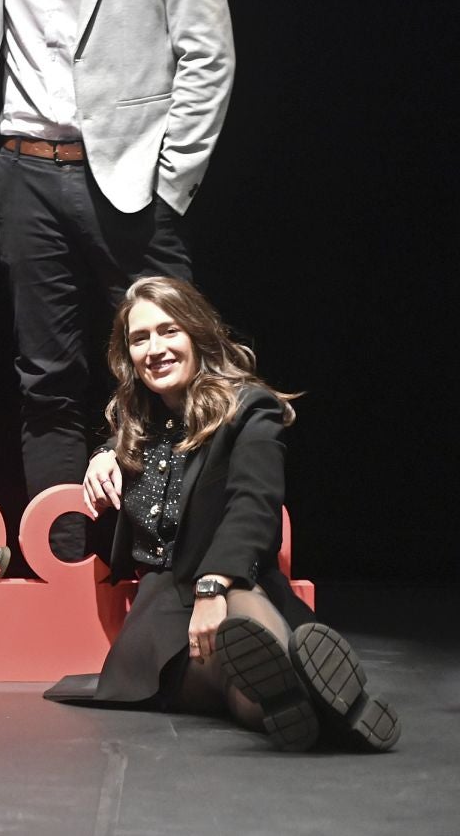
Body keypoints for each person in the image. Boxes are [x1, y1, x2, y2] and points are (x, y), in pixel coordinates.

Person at [0, 0, 235, 561]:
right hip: (23, 173)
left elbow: (208, 55)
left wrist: (170, 184)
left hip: (129, 183)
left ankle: (175, 560)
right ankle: (65, 558)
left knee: (174, 370)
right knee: (45, 379)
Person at [45, 277, 399, 752]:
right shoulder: (135, 427)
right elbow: (143, 439)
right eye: (139, 338)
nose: (155, 348)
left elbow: (254, 503)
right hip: (164, 612)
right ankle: (325, 709)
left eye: (169, 331)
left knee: (243, 633)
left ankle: (296, 702)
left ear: (197, 333)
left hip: (235, 582)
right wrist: (105, 452)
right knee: (230, 672)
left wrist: (214, 585)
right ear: (126, 354)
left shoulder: (250, 410)